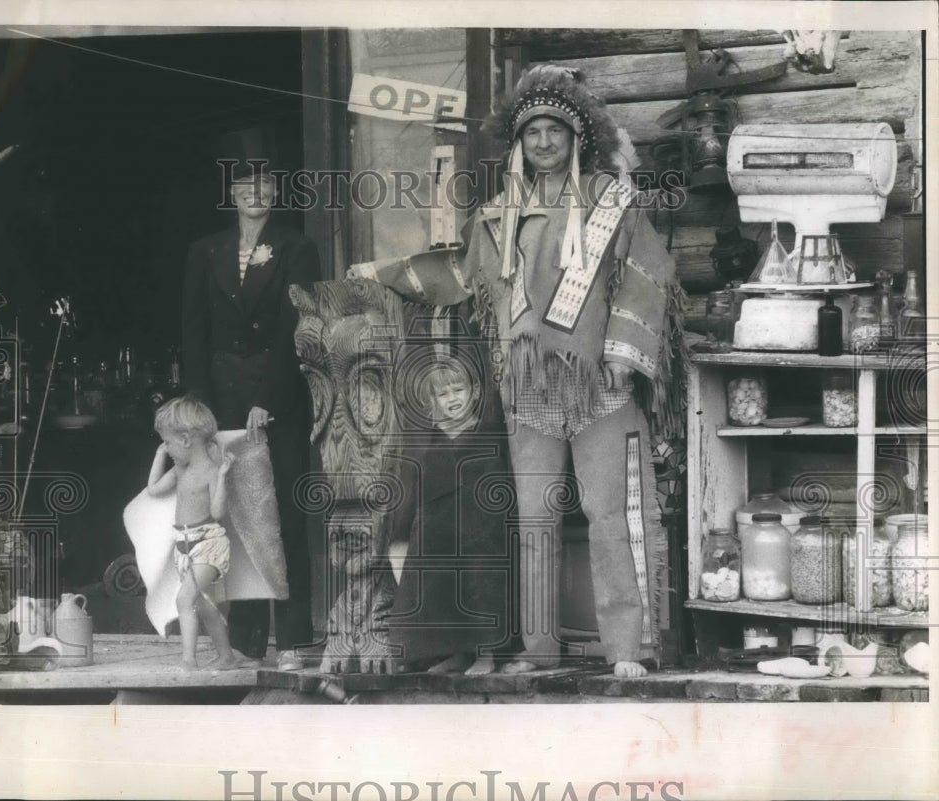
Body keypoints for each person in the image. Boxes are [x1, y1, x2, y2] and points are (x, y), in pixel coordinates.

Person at [352, 65, 686, 677]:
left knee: (609, 513)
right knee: (533, 517)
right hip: (528, 388)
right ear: (518, 143)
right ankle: (539, 653)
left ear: (576, 135)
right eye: (531, 131)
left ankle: (627, 649)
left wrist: (620, 354)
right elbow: (462, 276)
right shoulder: (497, 216)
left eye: (554, 129)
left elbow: (646, 279)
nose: (543, 142)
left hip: (598, 384)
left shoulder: (612, 202)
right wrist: (385, 272)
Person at [182, 143, 320, 670]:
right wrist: (202, 406)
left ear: (276, 192)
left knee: (282, 515)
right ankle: (243, 640)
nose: (255, 193)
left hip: (276, 399)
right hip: (222, 403)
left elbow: (297, 328)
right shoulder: (206, 250)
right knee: (231, 521)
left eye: (265, 184)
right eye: (245, 184)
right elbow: (194, 331)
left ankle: (292, 639)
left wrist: (270, 399)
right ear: (232, 193)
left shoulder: (296, 247)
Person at [385, 355, 511, 675]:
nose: (452, 399)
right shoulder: (433, 438)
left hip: (480, 530)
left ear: (475, 392)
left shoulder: (487, 432)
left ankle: (485, 654)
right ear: (433, 401)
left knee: (481, 574)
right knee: (434, 573)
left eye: (458, 390)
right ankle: (453, 652)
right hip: (443, 529)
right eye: (443, 394)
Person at [147, 396, 237, 671]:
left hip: (208, 543)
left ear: (186, 439)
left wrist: (222, 477)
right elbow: (153, 490)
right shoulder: (179, 469)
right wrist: (159, 456)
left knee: (183, 599)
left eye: (169, 444)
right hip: (184, 544)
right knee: (205, 605)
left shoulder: (211, 471)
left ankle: (189, 659)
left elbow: (218, 512)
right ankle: (227, 657)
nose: (168, 449)